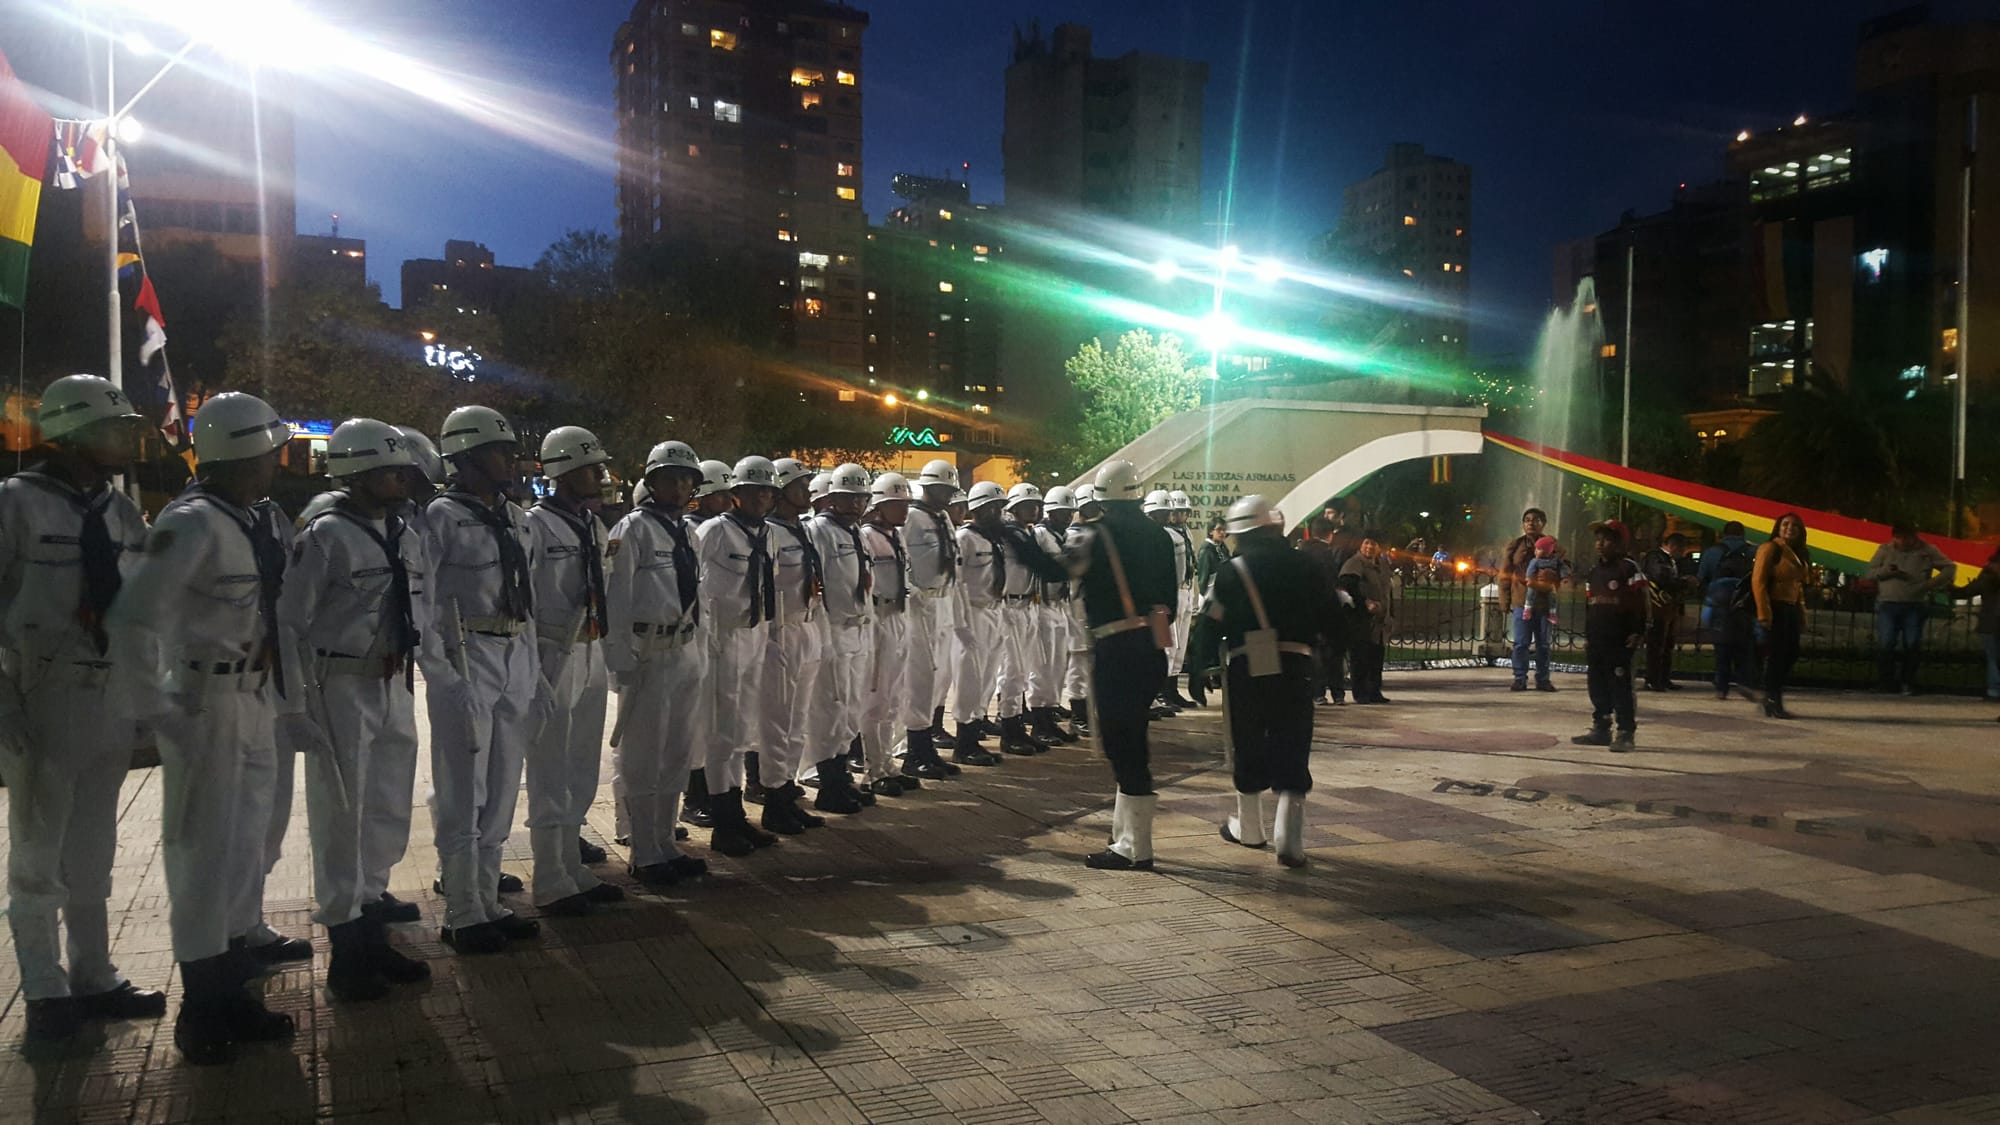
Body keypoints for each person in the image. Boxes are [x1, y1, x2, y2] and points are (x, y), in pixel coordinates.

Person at [106, 392, 303, 1063]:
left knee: (244, 846)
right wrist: (159, 710)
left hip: (253, 697)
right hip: (203, 702)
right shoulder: (191, 523)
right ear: (244, 453)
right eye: (270, 449)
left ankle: (230, 984)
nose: (277, 460)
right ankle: (202, 1007)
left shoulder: (250, 519)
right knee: (201, 854)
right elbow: (132, 617)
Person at [1, 375, 166, 1043]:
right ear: (71, 433)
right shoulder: (16, 504)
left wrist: (147, 694)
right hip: (42, 691)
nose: (128, 439)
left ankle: (94, 974)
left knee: (94, 846)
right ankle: (44, 991)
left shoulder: (119, 512)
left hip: (109, 694)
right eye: (115, 428)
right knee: (38, 850)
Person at [278, 418, 435, 1002]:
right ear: (357, 473)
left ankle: (371, 924)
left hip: (392, 681)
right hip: (339, 684)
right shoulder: (326, 535)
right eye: (389, 471)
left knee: (386, 808)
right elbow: (290, 622)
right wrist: (294, 704)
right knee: (342, 817)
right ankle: (347, 951)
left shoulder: (402, 531)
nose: (402, 479)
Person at [417, 405, 543, 956]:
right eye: (498, 451)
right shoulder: (439, 518)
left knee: (503, 783)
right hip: (466, 654)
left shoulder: (515, 517)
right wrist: (441, 673)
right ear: (465, 458)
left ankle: (488, 899)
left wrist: (533, 668)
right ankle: (462, 910)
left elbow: (525, 594)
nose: (510, 460)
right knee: (463, 785)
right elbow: (422, 603)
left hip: (512, 650)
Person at [1184, 496, 1345, 868]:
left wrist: (1198, 668)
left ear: (1241, 533)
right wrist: (1332, 656)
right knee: (1293, 739)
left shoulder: (1232, 571)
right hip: (1296, 664)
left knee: (1248, 739)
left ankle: (1251, 829)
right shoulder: (1307, 565)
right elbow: (1333, 618)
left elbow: (1210, 623)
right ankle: (1290, 840)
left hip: (1248, 663)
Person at [603, 441, 714, 886]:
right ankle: (644, 851)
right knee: (643, 755)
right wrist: (620, 660)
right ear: (651, 482)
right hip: (647, 652)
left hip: (684, 649)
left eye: (687, 479)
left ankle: (666, 843)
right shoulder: (633, 528)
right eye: (670, 478)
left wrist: (700, 649)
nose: (680, 486)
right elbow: (617, 597)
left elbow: (696, 596)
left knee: (676, 754)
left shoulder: (685, 531)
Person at [522, 427, 622, 916]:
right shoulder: (535, 526)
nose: (600, 475)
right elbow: (522, 599)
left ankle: (570, 865)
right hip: (553, 651)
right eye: (590, 468)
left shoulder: (592, 525)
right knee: (550, 769)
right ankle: (549, 877)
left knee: (581, 766)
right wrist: (529, 666)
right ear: (563, 472)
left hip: (590, 649)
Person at [1064, 461, 1177, 871]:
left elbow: (1059, 572)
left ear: (1102, 499)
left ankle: (1136, 847)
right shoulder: (1160, 535)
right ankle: (1125, 835)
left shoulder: (1096, 533)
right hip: (1152, 647)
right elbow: (1170, 600)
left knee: (1121, 743)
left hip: (1116, 647)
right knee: (1134, 736)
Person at [696, 456, 787, 853]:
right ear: (735, 494)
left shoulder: (768, 533)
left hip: (755, 634)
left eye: (767, 491)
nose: (761, 498)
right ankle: (723, 821)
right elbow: (695, 587)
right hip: (723, 638)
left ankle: (736, 815)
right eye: (753, 491)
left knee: (742, 730)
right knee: (721, 732)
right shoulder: (714, 531)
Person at [811, 464, 903, 797]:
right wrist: (822, 634)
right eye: (848, 498)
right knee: (831, 708)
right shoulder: (819, 530)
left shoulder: (855, 533)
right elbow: (816, 584)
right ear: (832, 498)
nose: (855, 504)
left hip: (860, 628)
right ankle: (829, 782)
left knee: (851, 707)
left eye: (861, 498)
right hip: (834, 628)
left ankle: (843, 776)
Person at [757, 458, 829, 833]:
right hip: (779, 631)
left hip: (806, 625)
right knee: (777, 723)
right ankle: (773, 800)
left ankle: (788, 792)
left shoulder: (802, 530)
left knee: (798, 721)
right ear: (781, 491)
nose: (807, 491)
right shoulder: (768, 532)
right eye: (800, 485)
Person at [678, 458, 735, 831]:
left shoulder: (718, 529)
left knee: (717, 723)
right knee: (696, 723)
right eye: (720, 495)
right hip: (695, 637)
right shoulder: (694, 530)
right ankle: (693, 797)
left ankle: (714, 793)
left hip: (716, 635)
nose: (727, 501)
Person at [861, 473, 928, 783]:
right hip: (878, 618)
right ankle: (873, 769)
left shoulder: (896, 536)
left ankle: (888, 763)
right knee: (875, 697)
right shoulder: (866, 536)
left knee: (893, 697)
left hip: (899, 617)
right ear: (878, 506)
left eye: (905, 503)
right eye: (896, 504)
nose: (904, 509)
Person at [994, 484, 1071, 751]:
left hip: (1029, 604)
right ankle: (1010, 728)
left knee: (1029, 669)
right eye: (1028, 506)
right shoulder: (1011, 533)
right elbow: (1042, 565)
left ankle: (1029, 724)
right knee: (1013, 671)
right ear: (1014, 508)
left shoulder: (1026, 532)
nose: (1035, 510)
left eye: (1037, 505)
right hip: (1009, 606)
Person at [906, 460, 969, 766]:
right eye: (942, 488)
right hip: (920, 605)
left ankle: (927, 739)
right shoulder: (911, 517)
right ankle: (912, 748)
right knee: (919, 677)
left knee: (939, 676)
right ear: (928, 487)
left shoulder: (943, 517)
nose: (947, 494)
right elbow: (900, 558)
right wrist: (911, 591)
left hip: (944, 602)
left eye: (949, 489)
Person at [1571, 520, 1647, 752]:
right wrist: (1588, 635)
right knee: (1597, 684)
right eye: (1597, 539)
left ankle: (1625, 732)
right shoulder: (1595, 572)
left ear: (1619, 543)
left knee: (1620, 685)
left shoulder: (1628, 569)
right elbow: (1590, 605)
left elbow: (1641, 602)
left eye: (1606, 540)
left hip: (1620, 639)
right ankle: (1601, 727)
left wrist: (1638, 631)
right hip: (1597, 639)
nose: (1600, 544)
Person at [952, 481, 1012, 754]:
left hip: (995, 610)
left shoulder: (994, 540)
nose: (998, 513)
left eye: (1000, 507)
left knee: (988, 676)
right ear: (977, 509)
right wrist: (961, 623)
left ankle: (976, 728)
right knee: (970, 678)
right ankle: (964, 741)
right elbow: (956, 582)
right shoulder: (964, 538)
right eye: (992, 508)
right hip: (973, 612)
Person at [1867, 523, 1956, 695]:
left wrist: (1930, 584)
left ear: (1914, 537)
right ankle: (1886, 682)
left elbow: (1949, 567)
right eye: (1898, 538)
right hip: (1888, 602)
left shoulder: (1927, 551)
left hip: (1915, 603)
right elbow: (1870, 573)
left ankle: (1908, 682)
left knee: (1912, 644)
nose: (1902, 542)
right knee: (1886, 643)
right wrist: (1887, 571)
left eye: (1906, 539)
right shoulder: (1885, 550)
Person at [1034, 486, 1083, 744]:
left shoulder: (1063, 536)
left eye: (1070, 512)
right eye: (1062, 512)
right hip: (1042, 604)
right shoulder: (1041, 534)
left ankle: (1050, 716)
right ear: (1050, 512)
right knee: (1042, 667)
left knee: (1057, 666)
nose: (1067, 516)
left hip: (1061, 605)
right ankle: (1039, 722)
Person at [1144, 490, 1198, 711]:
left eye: (1184, 512)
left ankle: (1172, 689)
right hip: (1169, 591)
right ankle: (1161, 691)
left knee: (1180, 645)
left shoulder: (1185, 532)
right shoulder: (1161, 535)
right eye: (1176, 512)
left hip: (1185, 589)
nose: (1178, 516)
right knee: (1167, 643)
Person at [1754, 513, 1810, 719]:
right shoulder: (1770, 548)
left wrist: (1801, 613)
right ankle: (1772, 698)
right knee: (1777, 655)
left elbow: (1798, 586)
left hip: (1791, 608)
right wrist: (1764, 612)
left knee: (1791, 653)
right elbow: (1758, 581)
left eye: (1795, 525)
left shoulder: (1798, 553)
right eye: (1785, 524)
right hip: (1775, 606)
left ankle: (1771, 694)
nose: (1789, 528)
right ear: (1778, 527)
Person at [1696, 521, 1759, 700]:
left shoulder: (1712, 552)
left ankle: (1721, 688)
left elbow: (1701, 578)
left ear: (1722, 534)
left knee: (1722, 651)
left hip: (1720, 609)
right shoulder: (1753, 551)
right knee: (1744, 649)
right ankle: (1744, 682)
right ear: (1743, 534)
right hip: (1745, 607)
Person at [1338, 531, 1395, 704]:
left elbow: (1387, 590)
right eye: (1366, 543)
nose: (1369, 547)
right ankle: (1361, 692)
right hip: (1361, 619)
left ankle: (1374, 691)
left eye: (1373, 544)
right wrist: (1365, 603)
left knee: (1376, 657)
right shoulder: (1354, 564)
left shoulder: (1382, 564)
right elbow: (1347, 588)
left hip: (1379, 621)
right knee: (1360, 657)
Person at [1298, 517, 1345, 705]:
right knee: (1332, 652)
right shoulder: (1325, 553)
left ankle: (1317, 692)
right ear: (1330, 534)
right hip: (1326, 609)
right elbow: (1330, 582)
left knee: (1315, 653)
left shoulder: (1302, 552)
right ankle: (1337, 692)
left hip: (1307, 609)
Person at [1511, 536, 1568, 692]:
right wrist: (1504, 599)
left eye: (1535, 522)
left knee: (1543, 644)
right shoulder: (1517, 544)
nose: (1531, 524)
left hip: (1544, 605)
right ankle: (1519, 678)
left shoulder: (1553, 545)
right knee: (1521, 643)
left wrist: (1556, 579)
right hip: (1522, 602)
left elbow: (1564, 567)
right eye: (1527, 522)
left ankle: (1543, 679)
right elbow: (1507, 569)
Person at [1951, 545, 2000, 702]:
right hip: (1991, 620)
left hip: (1990, 621)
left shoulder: (1988, 574)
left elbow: (1969, 590)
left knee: (1993, 657)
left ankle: (1995, 690)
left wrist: (1951, 590)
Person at [1195, 515, 1230, 594]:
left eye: (1224, 530)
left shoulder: (1222, 546)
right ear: (1211, 531)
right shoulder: (1206, 550)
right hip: (1210, 594)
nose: (1222, 532)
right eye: (1219, 529)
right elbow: (1203, 580)